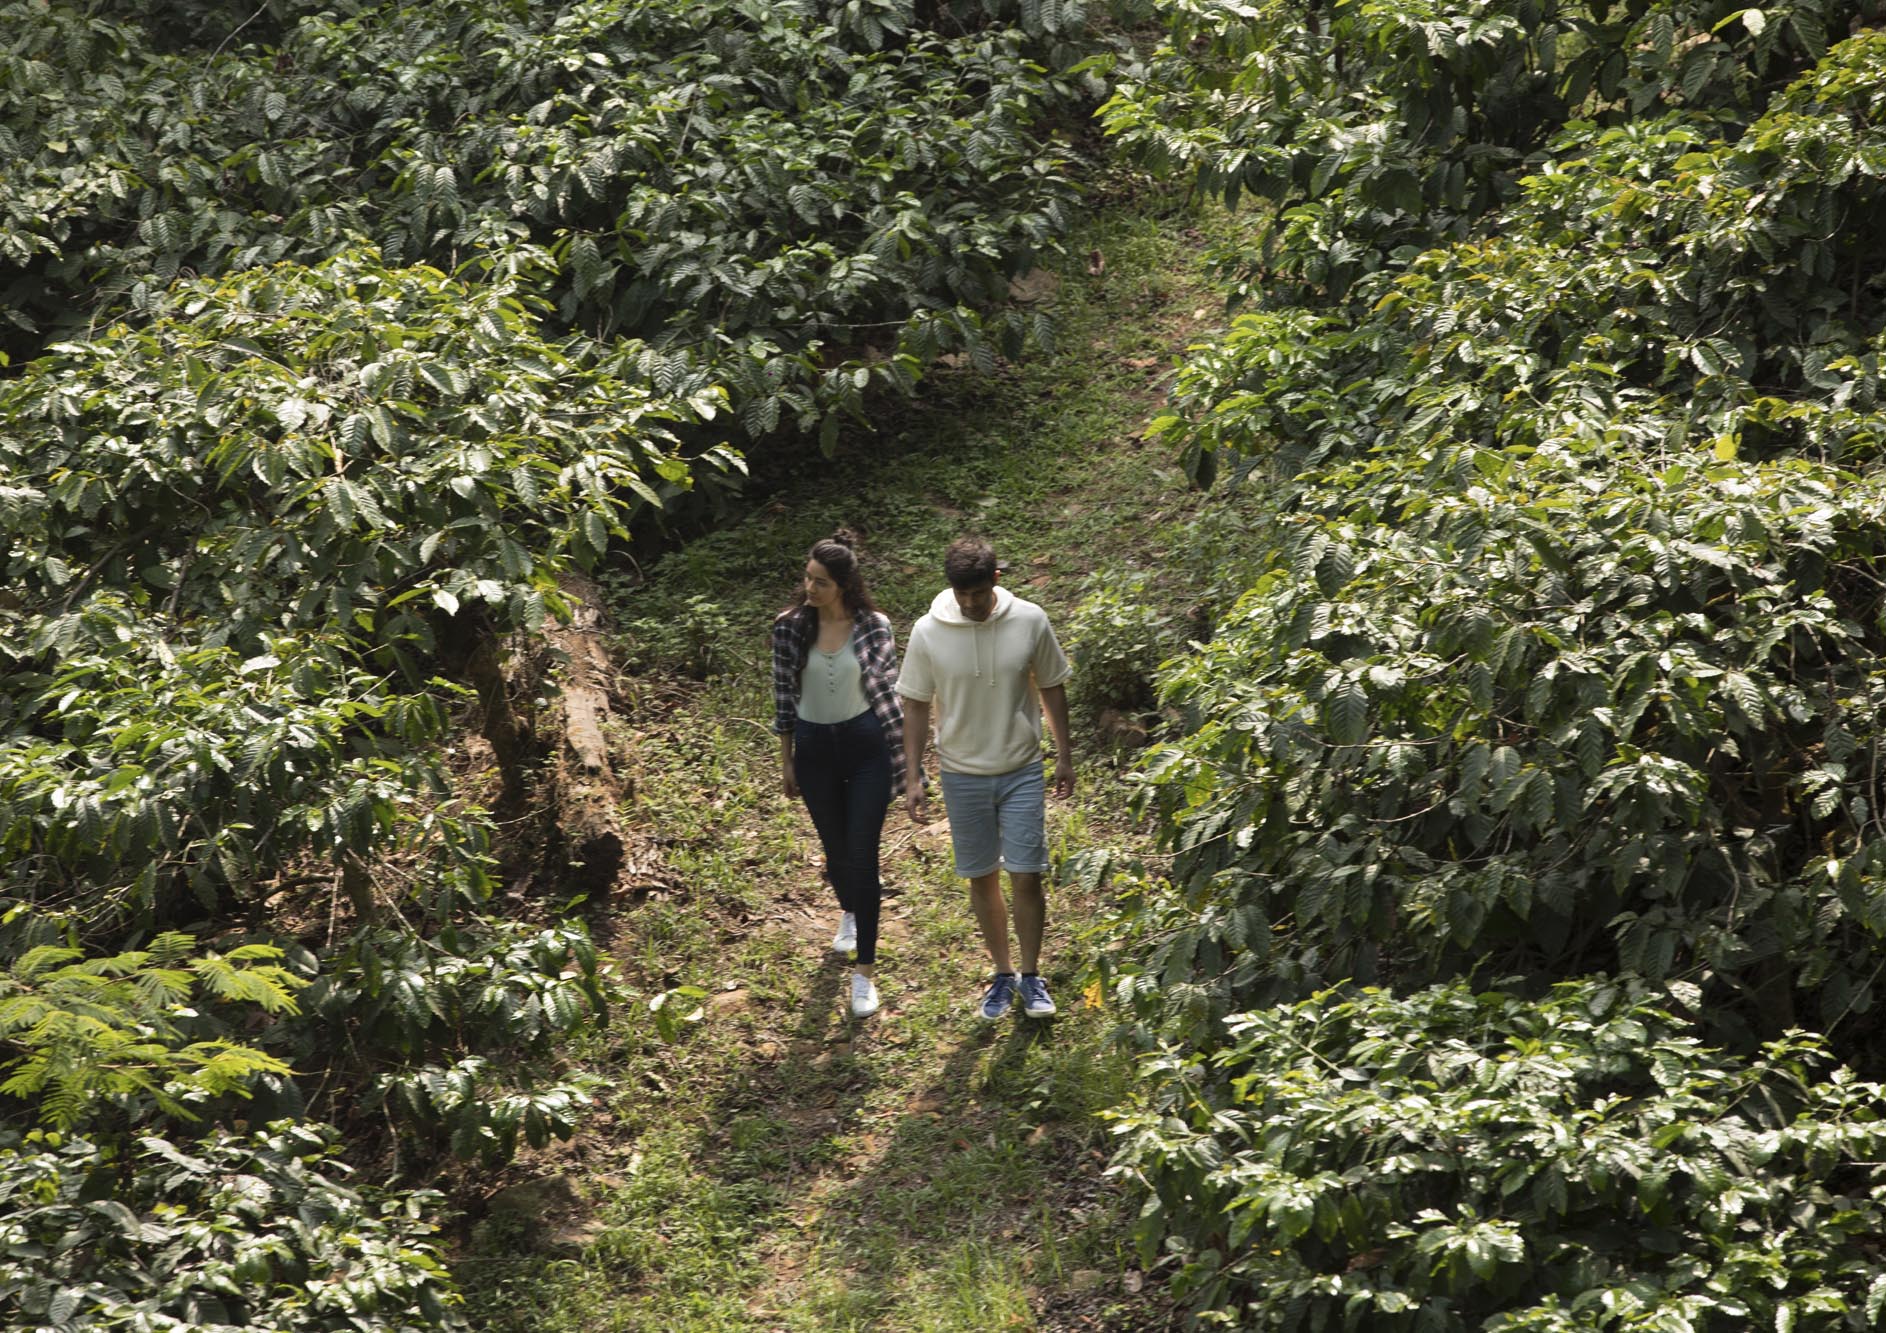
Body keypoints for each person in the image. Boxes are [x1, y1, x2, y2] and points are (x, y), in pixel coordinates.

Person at [898, 537, 1073, 1021]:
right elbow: (914, 704)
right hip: (960, 773)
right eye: (962, 595)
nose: (971, 604)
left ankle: (1033, 975)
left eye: (978, 593)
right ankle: (1002, 973)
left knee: (1027, 874)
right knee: (981, 877)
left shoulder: (1031, 620)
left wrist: (1064, 756)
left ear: (996, 580)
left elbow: (1053, 687)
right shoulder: (927, 631)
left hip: (1020, 767)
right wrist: (913, 775)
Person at [771, 533, 906, 1019]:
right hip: (812, 749)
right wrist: (786, 759)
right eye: (807, 578)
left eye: (821, 582)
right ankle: (848, 909)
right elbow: (783, 697)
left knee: (861, 853)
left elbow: (890, 692)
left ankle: (864, 972)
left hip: (866, 746)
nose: (810, 587)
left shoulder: (874, 626)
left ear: (844, 585)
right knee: (834, 850)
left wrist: (908, 761)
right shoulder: (789, 628)